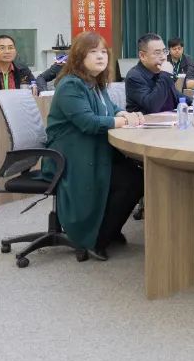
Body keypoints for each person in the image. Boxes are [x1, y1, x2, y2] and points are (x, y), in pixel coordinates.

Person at [41, 32, 145, 260]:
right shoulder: (71, 85)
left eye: (103, 52)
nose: (101, 57)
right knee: (128, 180)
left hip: (92, 150)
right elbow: (88, 122)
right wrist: (124, 121)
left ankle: (109, 230)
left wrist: (124, 114)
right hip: (70, 156)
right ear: (79, 57)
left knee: (135, 177)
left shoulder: (94, 83)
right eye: (93, 52)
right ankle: (94, 238)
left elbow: (110, 109)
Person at [125, 33, 181, 114]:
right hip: (147, 121)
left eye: (164, 51)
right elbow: (153, 106)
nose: (163, 57)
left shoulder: (160, 72)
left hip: (170, 118)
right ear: (142, 56)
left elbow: (175, 96)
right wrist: (165, 74)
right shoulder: (134, 76)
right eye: (157, 53)